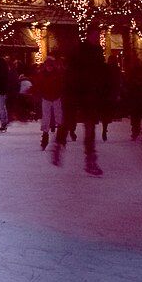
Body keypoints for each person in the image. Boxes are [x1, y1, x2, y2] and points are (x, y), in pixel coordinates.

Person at [54, 32, 109, 175]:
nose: (97, 38)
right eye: (95, 36)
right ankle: (59, 146)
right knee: (69, 122)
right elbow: (72, 73)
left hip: (86, 94)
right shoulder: (80, 51)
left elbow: (100, 75)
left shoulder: (96, 53)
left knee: (88, 127)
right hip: (77, 92)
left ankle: (89, 159)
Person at [35, 57, 65, 150]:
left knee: (58, 116)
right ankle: (45, 135)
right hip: (47, 97)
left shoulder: (57, 74)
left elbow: (61, 85)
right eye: (48, 66)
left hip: (55, 97)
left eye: (50, 66)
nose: (49, 67)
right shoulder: (44, 75)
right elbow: (39, 85)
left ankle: (59, 135)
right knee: (46, 117)